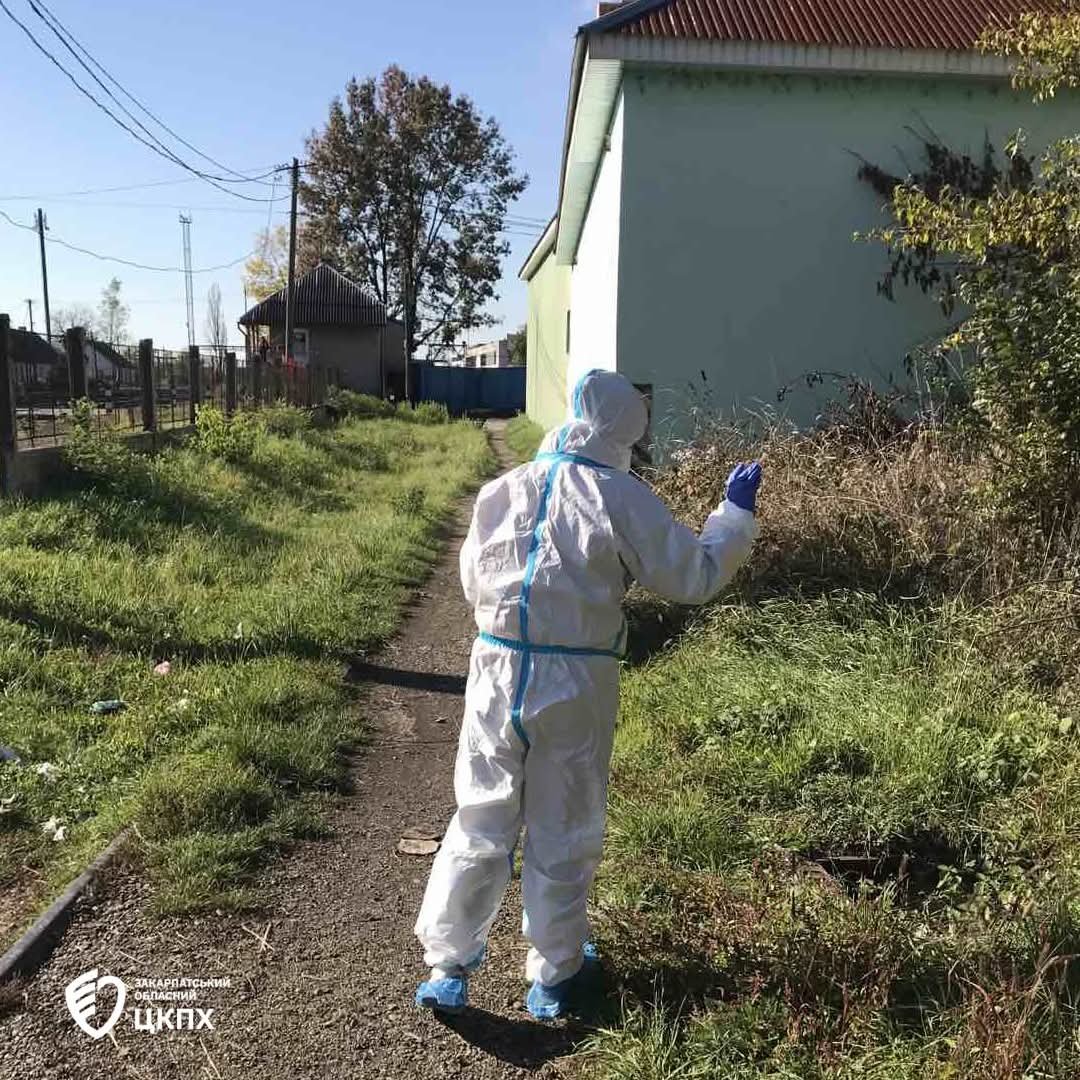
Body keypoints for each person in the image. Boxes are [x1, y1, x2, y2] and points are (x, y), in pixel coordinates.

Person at [414, 369, 762, 1020]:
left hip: (496, 668)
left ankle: (447, 965)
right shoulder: (620, 496)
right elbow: (693, 575)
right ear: (627, 430)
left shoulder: (503, 489)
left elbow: (472, 578)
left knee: (481, 815)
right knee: (563, 825)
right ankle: (554, 972)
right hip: (575, 679)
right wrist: (733, 516)